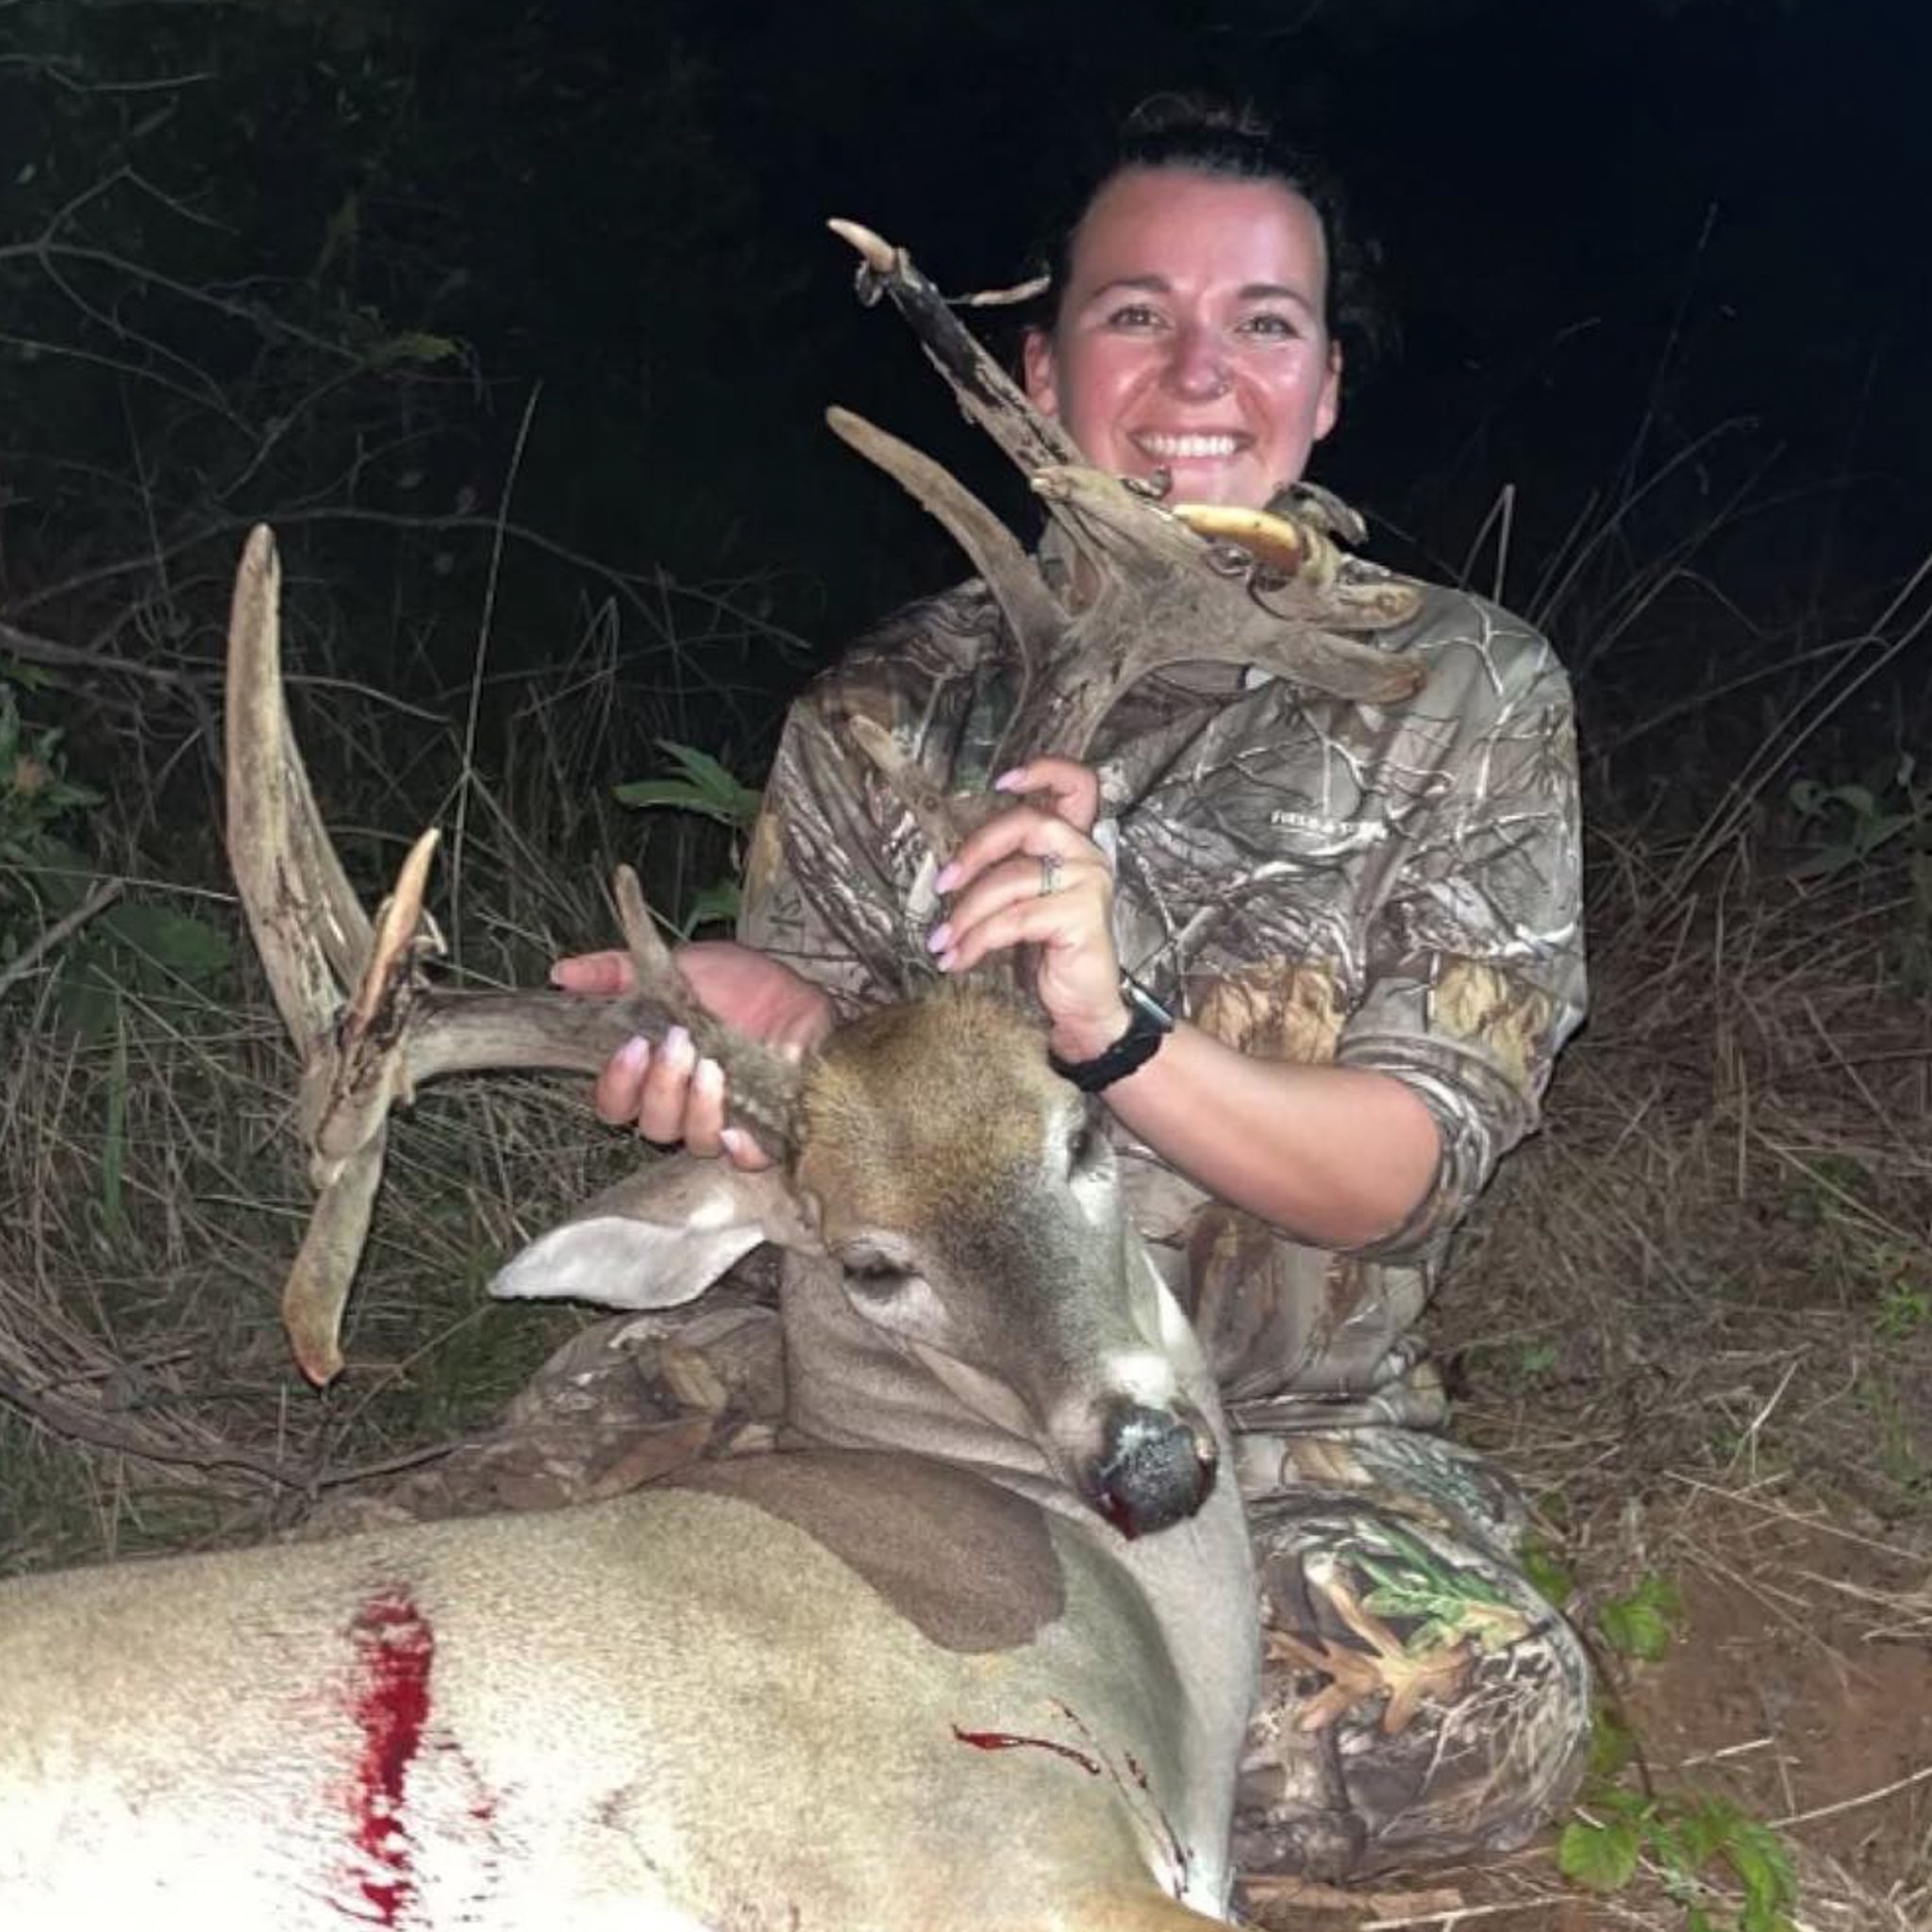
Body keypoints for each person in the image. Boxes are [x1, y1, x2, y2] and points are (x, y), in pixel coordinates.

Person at [556, 96, 1591, 1884]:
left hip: (1260, 1445)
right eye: (1136, 314)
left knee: (1446, 1720)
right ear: (1038, 369)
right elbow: (834, 1131)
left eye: (1264, 321)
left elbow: (1402, 1167)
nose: (1203, 369)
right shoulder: (880, 710)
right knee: (422, 1604)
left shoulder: (1461, 695)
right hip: (875, 1401)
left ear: (1327, 382)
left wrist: (1116, 1034)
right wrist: (742, 1047)